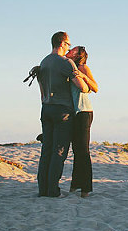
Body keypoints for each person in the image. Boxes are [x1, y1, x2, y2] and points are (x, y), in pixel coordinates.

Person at [36, 31, 89, 197]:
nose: (68, 48)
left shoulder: (43, 62)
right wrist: (86, 85)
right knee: (59, 151)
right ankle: (53, 189)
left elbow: (42, 90)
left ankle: (42, 189)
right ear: (62, 43)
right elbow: (81, 87)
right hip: (62, 110)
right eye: (68, 44)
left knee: (46, 150)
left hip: (46, 108)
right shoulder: (65, 63)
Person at [66, 46, 98, 197]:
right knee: (77, 150)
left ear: (79, 55)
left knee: (83, 151)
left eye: (73, 49)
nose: (70, 50)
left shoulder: (82, 67)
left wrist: (84, 77)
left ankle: (86, 188)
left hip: (84, 111)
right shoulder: (69, 67)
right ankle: (75, 185)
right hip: (75, 113)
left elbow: (95, 87)